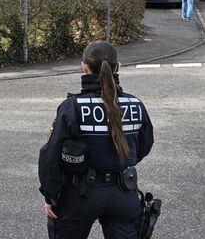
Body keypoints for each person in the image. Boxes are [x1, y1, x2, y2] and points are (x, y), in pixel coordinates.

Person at [38, 41, 154, 239]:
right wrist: (119, 161)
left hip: (79, 195)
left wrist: (51, 195)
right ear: (118, 67)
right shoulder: (135, 104)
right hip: (124, 192)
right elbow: (144, 145)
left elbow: (51, 154)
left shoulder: (72, 106)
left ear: (84, 67)